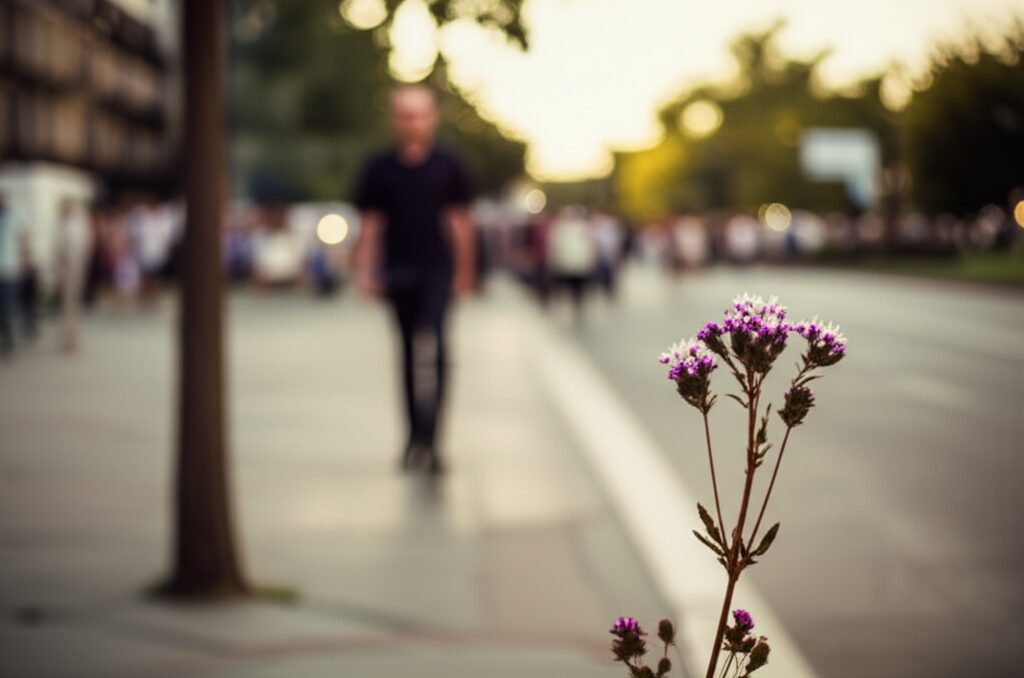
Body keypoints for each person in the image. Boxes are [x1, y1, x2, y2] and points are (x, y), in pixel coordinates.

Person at [352, 84, 475, 474]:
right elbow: (371, 224)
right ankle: (412, 438)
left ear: (432, 117)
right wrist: (367, 271)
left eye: (419, 113)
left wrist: (465, 272)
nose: (413, 122)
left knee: (437, 352)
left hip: (437, 271)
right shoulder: (379, 168)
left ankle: (434, 439)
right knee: (405, 355)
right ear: (394, 119)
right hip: (398, 270)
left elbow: (460, 223)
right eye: (405, 114)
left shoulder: (448, 165)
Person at [0, 193, 26, 357]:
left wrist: (23, 262)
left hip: (9, 268)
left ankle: (9, 339)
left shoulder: (14, 217)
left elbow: (23, 240)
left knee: (8, 306)